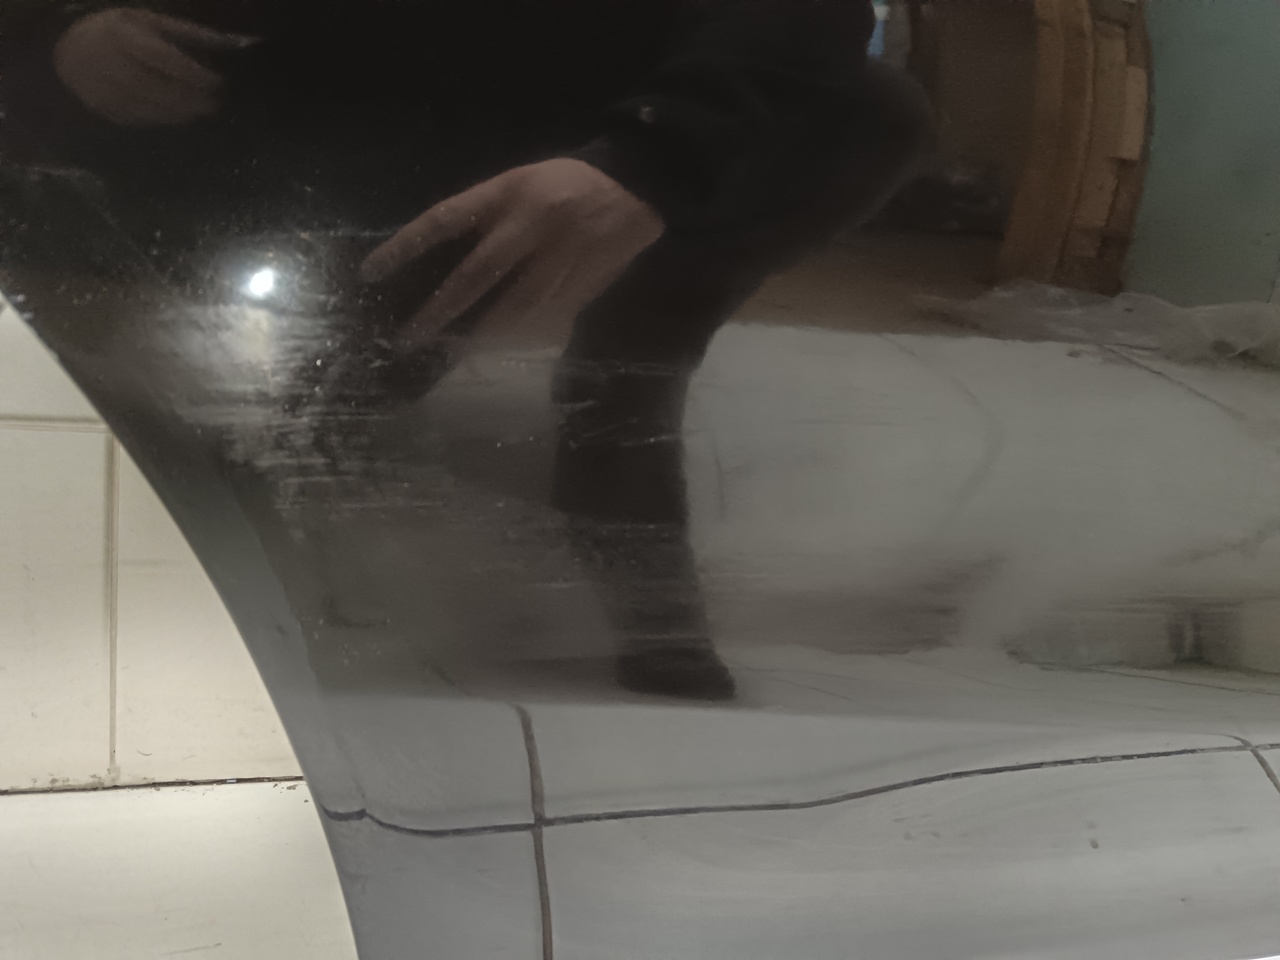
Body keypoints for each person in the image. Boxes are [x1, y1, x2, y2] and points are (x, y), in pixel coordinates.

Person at [0, 0, 932, 700]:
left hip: (578, 99)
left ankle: (618, 393)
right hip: (277, 104)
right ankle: (330, 404)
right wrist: (61, 33)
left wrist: (654, 158)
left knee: (862, 108)